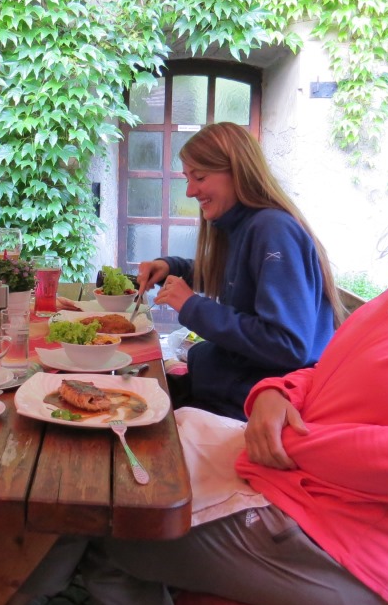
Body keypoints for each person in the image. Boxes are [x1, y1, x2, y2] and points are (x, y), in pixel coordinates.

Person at [40, 101, 388, 605]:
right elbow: (322, 367)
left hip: (340, 546)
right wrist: (274, 392)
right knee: (109, 468)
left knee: (105, 527)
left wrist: (282, 439)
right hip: (297, 493)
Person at [138, 122, 343, 419]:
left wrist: (193, 306)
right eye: (187, 178)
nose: (191, 191)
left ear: (237, 171)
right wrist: (173, 267)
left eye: (200, 177)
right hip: (232, 383)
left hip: (263, 404)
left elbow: (287, 345)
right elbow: (234, 277)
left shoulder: (273, 229)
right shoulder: (243, 225)